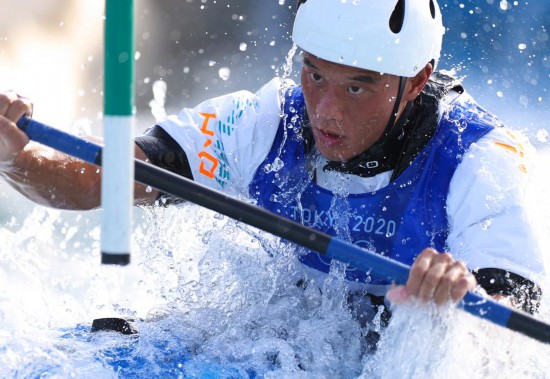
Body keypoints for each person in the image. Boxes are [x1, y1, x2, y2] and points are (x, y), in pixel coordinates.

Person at [0, 0, 544, 324]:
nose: (325, 111)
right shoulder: (266, 120)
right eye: (315, 74)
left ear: (417, 81)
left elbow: (514, 321)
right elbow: (106, 178)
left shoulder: (480, 159)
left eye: (357, 87)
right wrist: (15, 158)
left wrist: (463, 298)